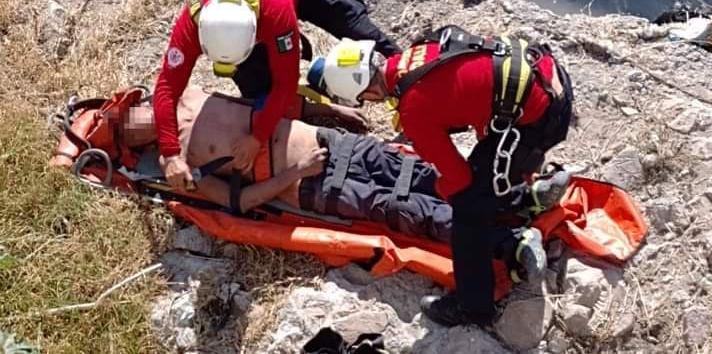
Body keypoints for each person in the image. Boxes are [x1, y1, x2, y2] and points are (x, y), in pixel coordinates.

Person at [124, 86, 566, 270]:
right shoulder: (178, 166)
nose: (134, 121)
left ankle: (516, 203)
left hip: (330, 141)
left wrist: (328, 111)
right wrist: (297, 171)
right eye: (126, 130)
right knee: (402, 208)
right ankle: (508, 246)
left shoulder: (190, 92)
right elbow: (238, 204)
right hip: (310, 183)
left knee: (418, 172)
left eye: (129, 114)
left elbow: (269, 101)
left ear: (138, 101)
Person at [309, 25, 574, 327]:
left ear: (368, 91)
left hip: (540, 117)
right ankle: (529, 199)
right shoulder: (416, 53)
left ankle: (474, 308)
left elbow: (458, 180)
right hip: (548, 77)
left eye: (365, 99)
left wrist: (443, 188)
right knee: (480, 181)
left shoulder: (415, 110)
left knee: (467, 210)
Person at [153, 0, 401, 192]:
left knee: (360, 31)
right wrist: (171, 153)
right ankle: (321, 83)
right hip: (252, 0)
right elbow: (166, 87)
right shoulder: (193, 23)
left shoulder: (276, 14)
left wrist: (256, 139)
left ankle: (411, 84)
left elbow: (285, 83)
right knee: (259, 88)